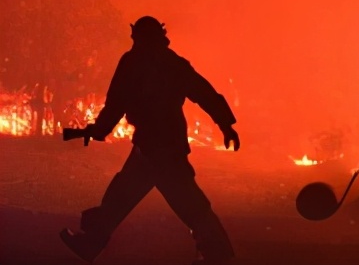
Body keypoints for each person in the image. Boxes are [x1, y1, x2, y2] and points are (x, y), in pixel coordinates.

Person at [60, 16, 240, 265]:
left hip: (153, 148)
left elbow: (115, 104)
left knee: (180, 200)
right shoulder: (172, 64)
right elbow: (204, 93)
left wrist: (99, 130)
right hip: (163, 145)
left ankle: (217, 252)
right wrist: (225, 124)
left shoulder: (133, 63)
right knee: (130, 195)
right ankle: (90, 242)